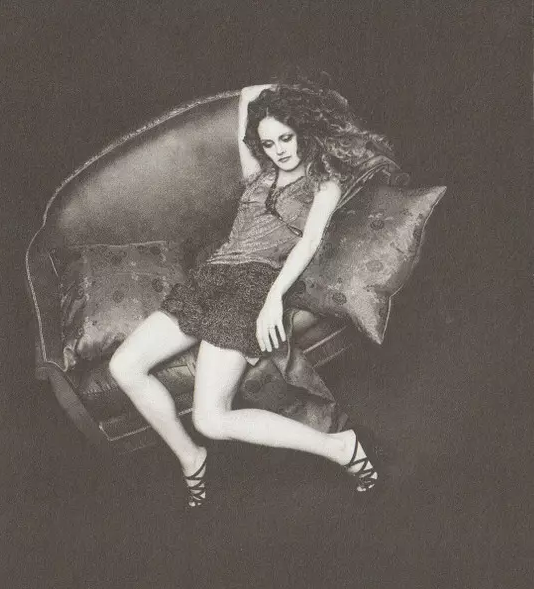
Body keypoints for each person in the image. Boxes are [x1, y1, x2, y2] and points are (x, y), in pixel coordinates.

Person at [109, 81, 388, 509]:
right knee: (124, 366)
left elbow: (308, 243)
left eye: (287, 137)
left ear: (303, 129)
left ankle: (341, 447)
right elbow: (246, 99)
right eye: (269, 143)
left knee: (211, 419)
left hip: (251, 287)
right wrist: (271, 104)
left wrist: (273, 298)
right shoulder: (258, 172)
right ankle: (191, 459)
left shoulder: (323, 182)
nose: (279, 150)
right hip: (208, 278)